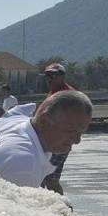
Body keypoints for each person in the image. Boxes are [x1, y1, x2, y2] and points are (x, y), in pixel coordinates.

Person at [0, 90, 92, 188]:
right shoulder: (25, 166)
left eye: (81, 132)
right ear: (45, 121)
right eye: (70, 131)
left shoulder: (15, 121)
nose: (77, 140)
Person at [40, 63, 78, 194]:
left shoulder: (68, 95)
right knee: (43, 177)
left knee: (50, 178)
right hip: (51, 141)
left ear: (62, 76)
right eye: (47, 76)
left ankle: (64, 209)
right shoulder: (53, 92)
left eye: (52, 75)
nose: (49, 79)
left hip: (61, 141)